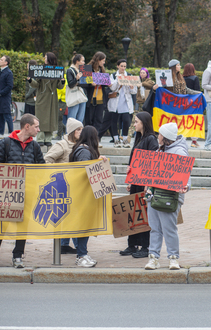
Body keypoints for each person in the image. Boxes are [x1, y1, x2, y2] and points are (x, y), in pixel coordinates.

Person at [0, 114, 45, 270]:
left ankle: (17, 256)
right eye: (36, 126)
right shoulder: (6, 143)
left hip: (27, 193)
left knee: (22, 227)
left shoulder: (35, 146)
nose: (38, 129)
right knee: (0, 224)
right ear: (27, 126)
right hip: (7, 193)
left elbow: (42, 167)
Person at [144, 123, 190, 270]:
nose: (158, 136)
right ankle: (153, 257)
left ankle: (173, 258)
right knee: (155, 228)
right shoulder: (159, 150)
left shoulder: (179, 152)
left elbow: (185, 173)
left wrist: (185, 186)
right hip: (155, 195)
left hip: (170, 196)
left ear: (165, 137)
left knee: (169, 228)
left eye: (160, 134)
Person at [43, 117, 83, 253]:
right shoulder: (62, 145)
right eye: (78, 129)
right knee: (69, 216)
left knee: (69, 216)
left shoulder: (79, 145)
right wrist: (57, 175)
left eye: (82, 129)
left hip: (75, 187)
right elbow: (47, 159)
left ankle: (64, 244)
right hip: (62, 187)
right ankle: (78, 247)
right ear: (72, 131)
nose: (81, 132)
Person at [123, 112, 159, 259]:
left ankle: (145, 246)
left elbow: (153, 163)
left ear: (144, 122)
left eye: (136, 122)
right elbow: (134, 161)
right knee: (134, 212)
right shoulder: (139, 138)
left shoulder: (151, 139)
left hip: (144, 183)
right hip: (136, 182)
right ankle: (133, 244)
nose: (134, 124)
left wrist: (148, 183)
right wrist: (130, 178)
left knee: (143, 214)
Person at [68, 126, 102, 267]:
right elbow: (84, 171)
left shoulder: (81, 149)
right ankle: (81, 255)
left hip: (81, 193)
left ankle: (82, 253)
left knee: (84, 224)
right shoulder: (84, 151)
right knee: (84, 225)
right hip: (82, 194)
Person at [27, 52, 65, 147]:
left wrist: (62, 82)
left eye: (45, 57)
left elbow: (59, 87)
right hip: (43, 98)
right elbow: (37, 85)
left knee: (51, 118)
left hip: (52, 99)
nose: (44, 59)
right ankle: (40, 138)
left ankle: (48, 139)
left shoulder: (57, 71)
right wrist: (30, 80)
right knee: (41, 118)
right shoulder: (41, 70)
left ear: (50, 59)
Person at [105, 59, 137, 147]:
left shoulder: (129, 76)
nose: (123, 68)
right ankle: (116, 139)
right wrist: (118, 80)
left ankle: (125, 139)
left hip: (125, 102)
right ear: (118, 66)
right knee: (114, 120)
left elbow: (134, 91)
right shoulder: (113, 75)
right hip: (116, 101)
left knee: (126, 120)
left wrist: (131, 87)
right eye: (121, 66)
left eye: (124, 66)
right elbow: (112, 88)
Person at [82, 52, 108, 131]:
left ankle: (96, 137)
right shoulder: (87, 68)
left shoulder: (102, 70)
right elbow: (83, 83)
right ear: (98, 60)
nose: (104, 62)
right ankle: (88, 136)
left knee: (99, 119)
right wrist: (91, 83)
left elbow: (104, 84)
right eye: (103, 61)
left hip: (100, 98)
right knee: (89, 119)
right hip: (90, 98)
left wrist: (107, 83)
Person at [0, 55, 14, 139]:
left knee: (7, 116)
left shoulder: (8, 72)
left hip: (4, 98)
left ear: (6, 62)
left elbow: (9, 86)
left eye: (1, 60)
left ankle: (11, 133)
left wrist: (1, 93)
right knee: (0, 115)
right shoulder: (1, 71)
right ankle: (1, 132)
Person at [66, 53, 88, 123]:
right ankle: (69, 133)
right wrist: (76, 79)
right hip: (74, 96)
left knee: (80, 119)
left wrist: (90, 82)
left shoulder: (84, 70)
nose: (84, 63)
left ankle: (79, 133)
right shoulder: (70, 70)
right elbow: (70, 85)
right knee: (72, 119)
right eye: (82, 61)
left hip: (82, 96)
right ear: (77, 61)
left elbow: (86, 85)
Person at [183, 63, 201, 147]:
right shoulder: (195, 78)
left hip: (184, 103)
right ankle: (194, 141)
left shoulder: (182, 78)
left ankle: (183, 139)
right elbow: (198, 91)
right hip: (193, 103)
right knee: (194, 121)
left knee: (184, 121)